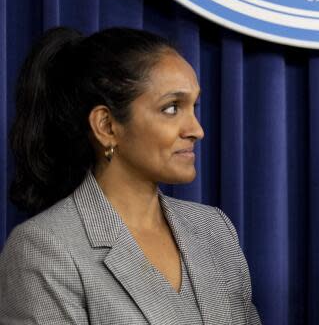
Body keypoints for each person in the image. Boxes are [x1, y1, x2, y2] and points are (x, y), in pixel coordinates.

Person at [0, 27, 261, 325]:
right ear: (107, 127)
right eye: (172, 108)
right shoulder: (44, 248)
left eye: (194, 107)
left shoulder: (215, 230)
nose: (196, 130)